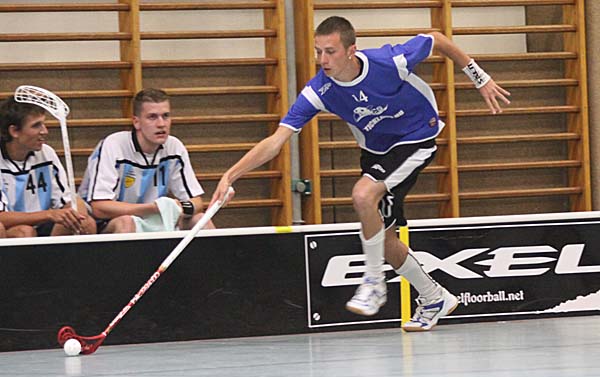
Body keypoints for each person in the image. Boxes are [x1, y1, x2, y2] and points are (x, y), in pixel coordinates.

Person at [211, 16, 511, 332]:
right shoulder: (320, 90)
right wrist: (230, 175)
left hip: (416, 137)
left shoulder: (389, 61)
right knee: (384, 237)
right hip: (377, 153)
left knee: (363, 195)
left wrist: (479, 78)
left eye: (330, 52)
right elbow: (276, 140)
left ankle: (374, 282)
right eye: (318, 52)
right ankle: (434, 296)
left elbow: (437, 38)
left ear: (351, 50)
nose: (322, 60)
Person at [79, 88, 215, 233]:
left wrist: (177, 207)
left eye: (166, 116)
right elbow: (99, 208)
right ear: (136, 122)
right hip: (108, 223)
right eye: (152, 117)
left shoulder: (175, 147)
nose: (161, 124)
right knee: (126, 222)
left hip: (154, 218)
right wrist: (153, 209)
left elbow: (197, 202)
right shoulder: (113, 145)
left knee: (201, 220)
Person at [0, 96, 96, 237]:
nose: (45, 131)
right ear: (14, 131)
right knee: (24, 232)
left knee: (86, 223)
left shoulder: (47, 153)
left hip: (43, 225)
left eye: (43, 124)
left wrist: (78, 214)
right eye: (36, 125)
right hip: (12, 228)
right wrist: (49, 214)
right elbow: (2, 217)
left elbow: (69, 199)